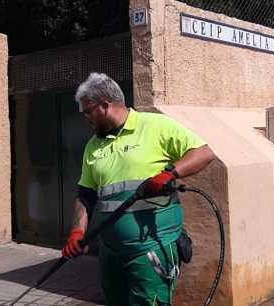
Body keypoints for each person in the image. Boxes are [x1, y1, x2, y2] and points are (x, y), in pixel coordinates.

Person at [62, 72, 215, 306]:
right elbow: (86, 195)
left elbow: (203, 153)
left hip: (151, 249)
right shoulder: (93, 146)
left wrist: (170, 173)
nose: (85, 118)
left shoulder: (155, 126)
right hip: (111, 253)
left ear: (104, 105)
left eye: (87, 111)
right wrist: (76, 232)